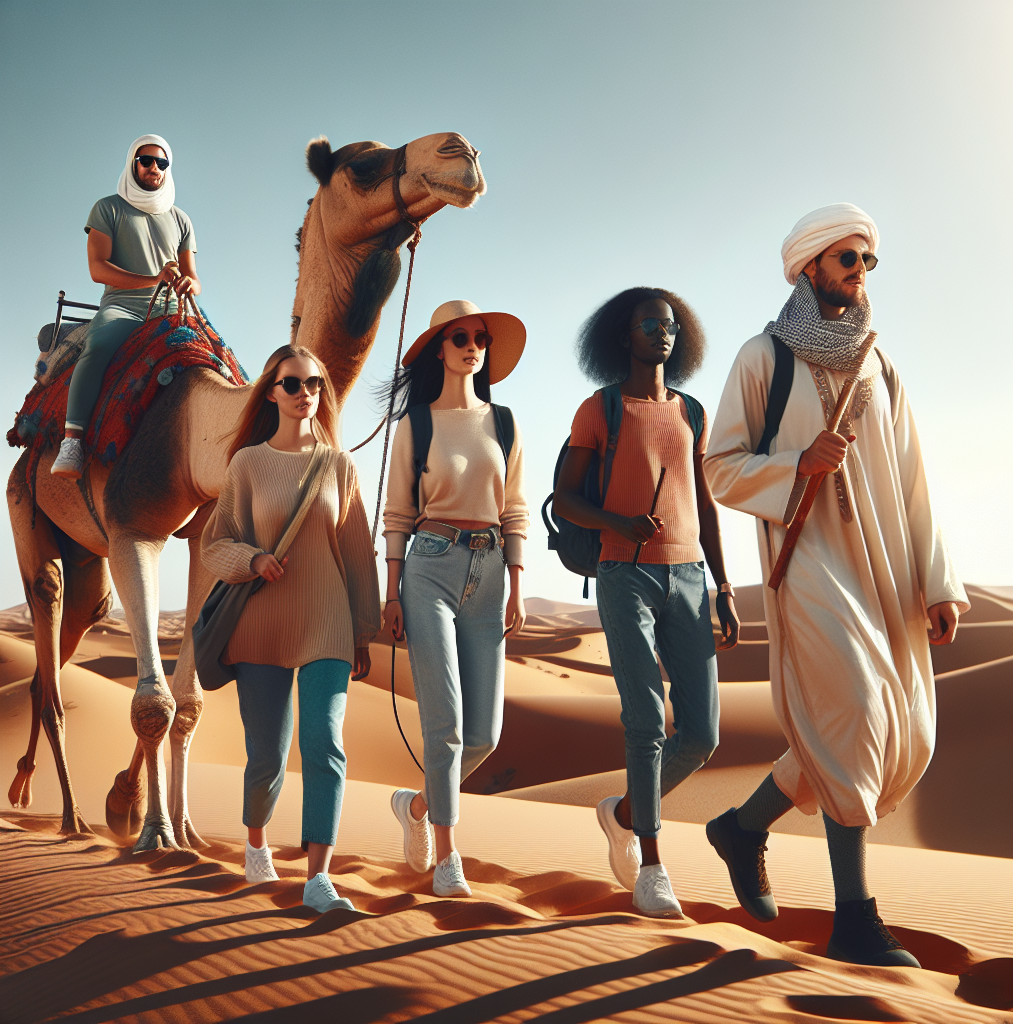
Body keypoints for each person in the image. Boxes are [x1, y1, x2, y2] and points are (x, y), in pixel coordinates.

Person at [703, 203, 967, 966]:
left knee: (874, 727)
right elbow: (719, 466)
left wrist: (937, 580)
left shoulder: (881, 364)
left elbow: (915, 478)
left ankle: (742, 827)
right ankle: (854, 920)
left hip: (884, 569)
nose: (858, 272)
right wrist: (795, 467)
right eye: (846, 259)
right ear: (810, 266)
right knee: (852, 706)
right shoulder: (764, 357)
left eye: (866, 261)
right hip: (808, 559)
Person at [553, 287, 740, 918]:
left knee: (704, 734)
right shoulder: (599, 409)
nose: (661, 333)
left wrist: (723, 585)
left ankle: (626, 815)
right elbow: (565, 498)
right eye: (647, 324)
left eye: (668, 325)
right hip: (623, 573)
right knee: (646, 721)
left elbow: (705, 501)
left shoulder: (691, 410)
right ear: (622, 335)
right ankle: (654, 867)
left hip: (689, 577)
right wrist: (618, 521)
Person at [200, 345, 381, 913]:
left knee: (325, 742)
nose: (307, 393)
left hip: (327, 621)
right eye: (293, 384)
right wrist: (252, 560)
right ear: (272, 393)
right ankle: (256, 840)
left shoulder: (340, 465)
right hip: (261, 626)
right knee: (268, 758)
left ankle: (318, 876)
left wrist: (362, 632)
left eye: (316, 384)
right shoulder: (248, 464)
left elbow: (358, 555)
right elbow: (214, 543)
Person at [383, 300, 529, 898]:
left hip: (492, 571)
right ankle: (448, 858)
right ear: (440, 351)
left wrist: (518, 581)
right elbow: (396, 514)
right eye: (460, 337)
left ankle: (417, 806)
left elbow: (516, 507)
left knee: (485, 735)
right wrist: (391, 590)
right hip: (430, 568)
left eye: (480, 338)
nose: (473, 345)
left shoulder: (506, 423)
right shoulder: (415, 425)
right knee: (443, 725)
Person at [52, 134, 200, 479]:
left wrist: (189, 283)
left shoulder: (181, 220)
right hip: (123, 307)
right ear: (133, 163)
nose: (154, 168)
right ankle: (71, 440)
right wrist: (153, 279)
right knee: (98, 348)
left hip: (170, 308)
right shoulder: (108, 209)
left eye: (161, 163)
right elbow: (97, 268)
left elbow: (194, 276)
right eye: (146, 161)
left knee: (217, 361)